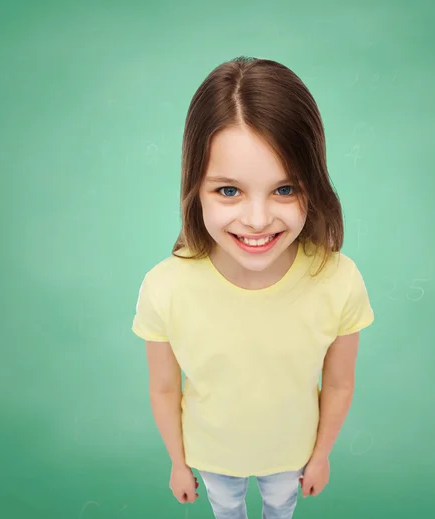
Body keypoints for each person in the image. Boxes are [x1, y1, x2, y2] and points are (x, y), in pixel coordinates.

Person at [132, 56, 375, 519]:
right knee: (227, 510)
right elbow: (164, 389)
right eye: (229, 191)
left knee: (279, 509)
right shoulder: (164, 287)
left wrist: (321, 455)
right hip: (213, 459)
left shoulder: (339, 280)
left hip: (292, 457)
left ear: (315, 185)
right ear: (194, 189)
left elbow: (340, 383)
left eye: (285, 189)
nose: (259, 220)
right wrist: (178, 464)